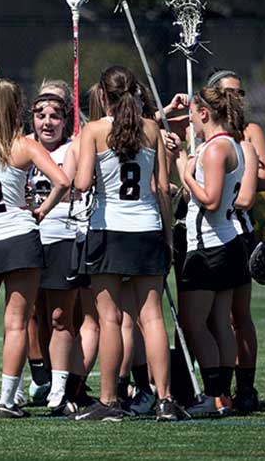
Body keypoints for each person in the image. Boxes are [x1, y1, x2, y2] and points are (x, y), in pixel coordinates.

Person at [74, 66, 187, 422]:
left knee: (110, 319)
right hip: (147, 228)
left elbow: (80, 183)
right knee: (151, 317)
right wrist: (167, 236)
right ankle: (165, 400)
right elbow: (162, 189)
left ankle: (110, 402)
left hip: (109, 231)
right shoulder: (152, 129)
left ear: (103, 96)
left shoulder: (93, 130)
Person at [0, 80, 70, 418]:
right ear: (19, 109)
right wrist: (41, 210)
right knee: (16, 324)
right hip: (21, 238)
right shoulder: (25, 146)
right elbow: (62, 181)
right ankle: (7, 401)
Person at [173, 85, 250, 416]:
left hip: (210, 247)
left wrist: (186, 174)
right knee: (219, 321)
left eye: (192, 112)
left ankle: (214, 394)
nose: (189, 119)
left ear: (204, 113)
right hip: (225, 242)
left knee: (194, 323)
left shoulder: (217, 149)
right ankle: (222, 396)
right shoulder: (227, 144)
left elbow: (211, 199)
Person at [206, 69, 265, 411]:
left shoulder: (247, 134)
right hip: (204, 233)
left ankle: (245, 387)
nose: (235, 100)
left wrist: (235, 170)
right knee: (208, 314)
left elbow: (259, 182)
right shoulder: (206, 134)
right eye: (227, 93)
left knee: (236, 314)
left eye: (239, 93)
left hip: (235, 230)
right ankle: (213, 387)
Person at [25, 89, 82, 414]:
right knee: (34, 315)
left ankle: (62, 388)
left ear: (65, 120)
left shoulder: (73, 149)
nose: (47, 122)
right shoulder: (23, 147)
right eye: (41, 115)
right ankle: (43, 378)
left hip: (63, 237)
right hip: (29, 240)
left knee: (61, 317)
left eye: (55, 116)